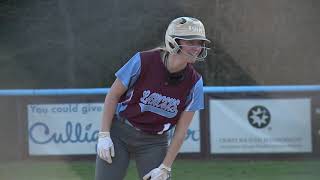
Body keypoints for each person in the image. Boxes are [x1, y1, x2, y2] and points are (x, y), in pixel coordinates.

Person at [95, 16, 210, 180]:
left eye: (199, 43)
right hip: (120, 132)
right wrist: (104, 134)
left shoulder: (195, 82)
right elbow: (113, 95)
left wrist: (166, 167)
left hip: (154, 142)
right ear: (173, 41)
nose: (197, 47)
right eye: (191, 42)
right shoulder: (143, 60)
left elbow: (181, 131)